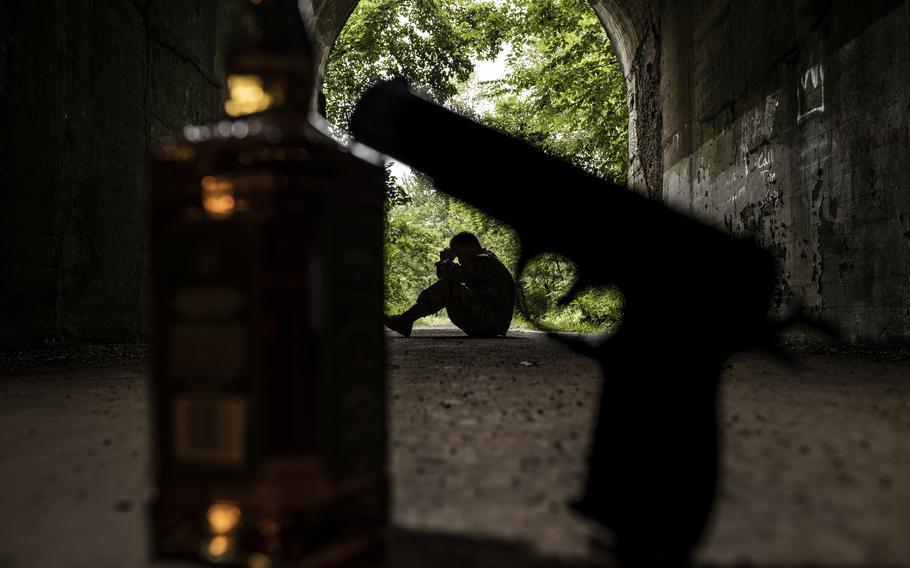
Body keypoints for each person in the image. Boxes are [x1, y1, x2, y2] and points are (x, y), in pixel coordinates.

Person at [384, 231, 516, 337]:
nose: (459, 259)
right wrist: (446, 264)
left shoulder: (483, 261)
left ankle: (403, 321)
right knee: (449, 284)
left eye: (459, 254)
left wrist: (446, 261)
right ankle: (405, 321)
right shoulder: (485, 260)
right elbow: (448, 276)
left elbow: (453, 276)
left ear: (471, 247)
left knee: (450, 286)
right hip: (488, 321)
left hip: (489, 323)